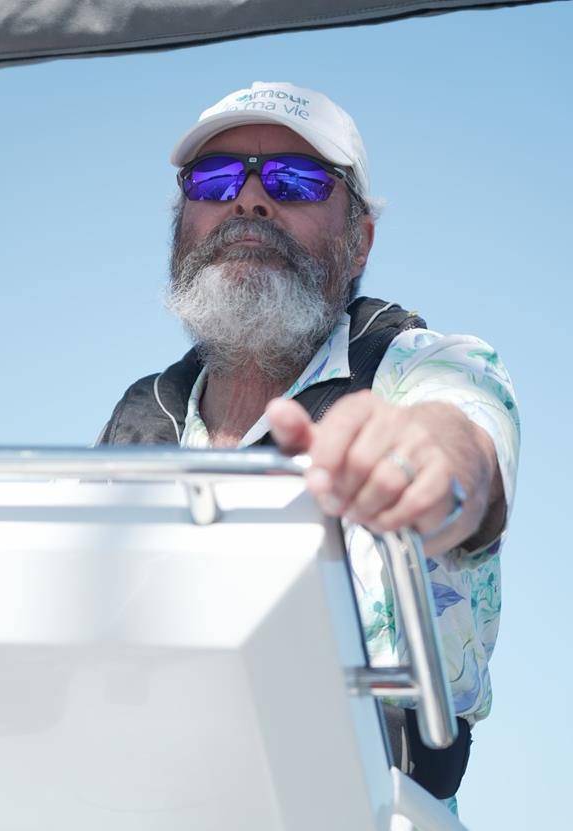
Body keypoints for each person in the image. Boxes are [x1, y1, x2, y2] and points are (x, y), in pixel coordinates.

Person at [99, 81, 520, 813]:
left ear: (359, 240)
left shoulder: (420, 367)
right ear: (181, 225)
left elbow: (462, 448)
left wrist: (425, 465)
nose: (250, 201)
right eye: (215, 179)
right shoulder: (137, 421)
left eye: (295, 181)